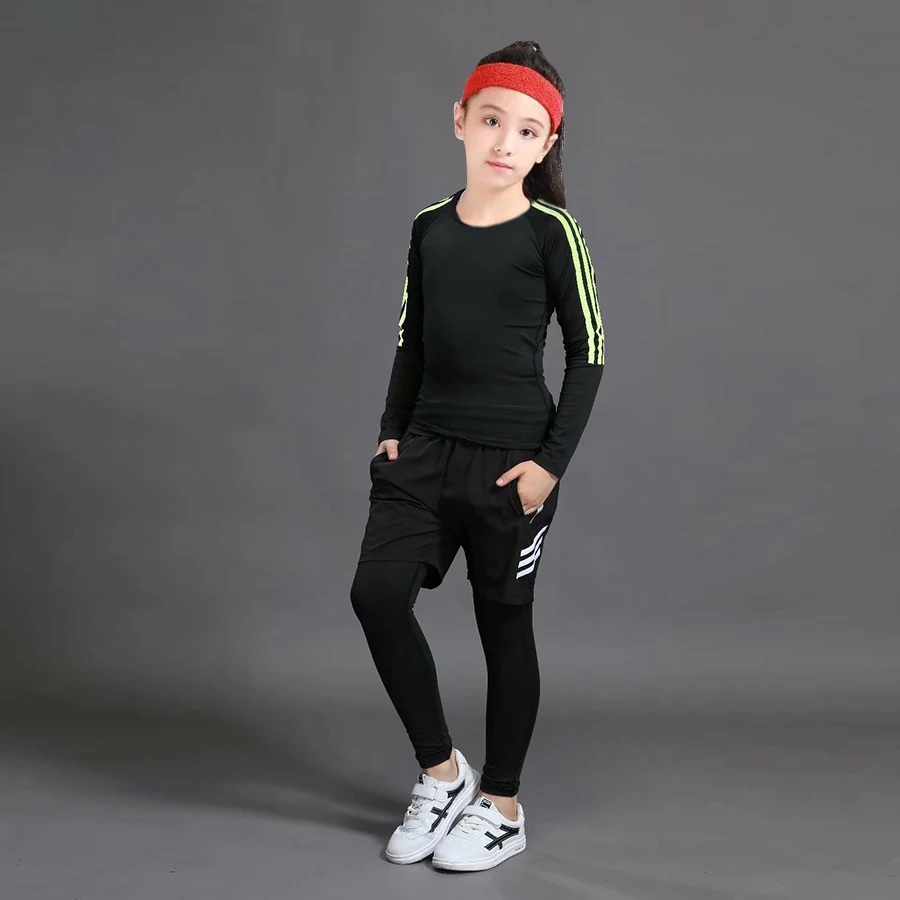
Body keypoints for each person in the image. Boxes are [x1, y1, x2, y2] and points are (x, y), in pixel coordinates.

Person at [349, 40, 605, 872]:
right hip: (424, 452)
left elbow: (589, 353)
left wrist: (549, 466)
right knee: (376, 596)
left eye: (528, 131)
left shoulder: (552, 232)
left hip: (511, 463)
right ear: (460, 119)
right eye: (492, 120)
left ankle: (501, 804)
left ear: (546, 145)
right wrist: (393, 427)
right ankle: (442, 774)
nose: (505, 142)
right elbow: (412, 339)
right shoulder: (429, 227)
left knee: (503, 626)